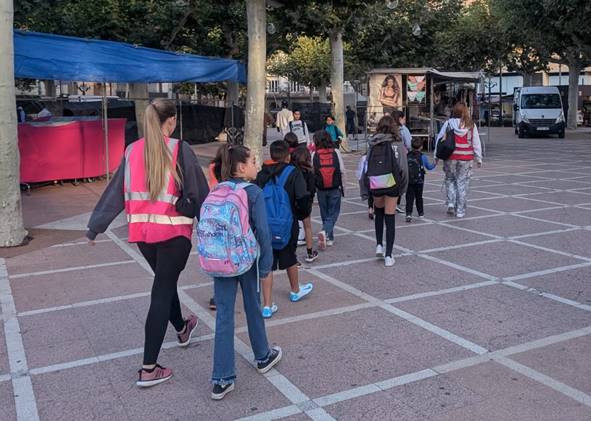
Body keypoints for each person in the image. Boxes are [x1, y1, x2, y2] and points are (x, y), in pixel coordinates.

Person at [86, 98, 209, 387]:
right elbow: (200, 192)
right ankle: (149, 368)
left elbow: (115, 192)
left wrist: (95, 226)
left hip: (143, 235)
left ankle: (181, 327)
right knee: (162, 291)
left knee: (164, 283)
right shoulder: (180, 149)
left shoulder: (132, 151)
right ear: (171, 121)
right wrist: (214, 229)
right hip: (174, 234)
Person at [205, 144, 282, 400]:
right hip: (246, 261)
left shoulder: (217, 190)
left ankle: (222, 378)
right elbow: (262, 231)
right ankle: (262, 355)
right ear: (241, 167)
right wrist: (266, 265)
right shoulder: (253, 192)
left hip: (220, 260)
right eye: (253, 161)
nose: (256, 165)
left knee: (224, 316)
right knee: (253, 307)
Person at [256, 140, 314, 318]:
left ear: (271, 155)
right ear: (288, 156)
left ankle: (267, 305)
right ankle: (295, 290)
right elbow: (302, 197)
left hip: (265, 224)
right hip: (288, 222)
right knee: (290, 256)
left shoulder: (261, 174)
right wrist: (302, 214)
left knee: (267, 262)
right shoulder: (294, 173)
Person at [361, 115, 408, 267]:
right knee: (390, 218)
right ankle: (389, 255)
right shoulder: (398, 143)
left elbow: (366, 166)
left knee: (379, 214)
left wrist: (365, 189)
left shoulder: (373, 142)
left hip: (376, 183)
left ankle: (379, 245)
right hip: (392, 183)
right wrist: (402, 188)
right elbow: (403, 168)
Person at [435, 102, 483, 218]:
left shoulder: (448, 123)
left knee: (450, 179)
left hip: (450, 156)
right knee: (462, 183)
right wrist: (479, 158)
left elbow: (439, 139)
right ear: (465, 111)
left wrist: (436, 156)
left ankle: (451, 203)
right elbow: (476, 142)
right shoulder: (471, 125)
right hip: (466, 158)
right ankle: (460, 211)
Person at [312, 130, 345, 249]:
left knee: (324, 213)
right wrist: (343, 186)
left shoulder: (314, 154)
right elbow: (341, 170)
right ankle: (326, 232)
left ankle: (328, 236)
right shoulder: (336, 152)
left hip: (320, 188)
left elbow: (312, 171)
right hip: (335, 187)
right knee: (334, 212)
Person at [291, 146, 319, 263]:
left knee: (293, 229)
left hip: (292, 202)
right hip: (305, 203)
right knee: (307, 227)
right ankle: (309, 252)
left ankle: (292, 255)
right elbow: (312, 189)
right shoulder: (309, 172)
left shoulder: (291, 171)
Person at [405, 137, 437, 222]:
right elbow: (429, 167)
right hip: (420, 180)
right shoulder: (423, 157)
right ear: (421, 147)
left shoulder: (407, 155)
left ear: (411, 146)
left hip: (409, 181)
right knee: (419, 197)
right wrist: (435, 163)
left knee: (409, 197)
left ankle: (408, 214)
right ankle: (421, 213)